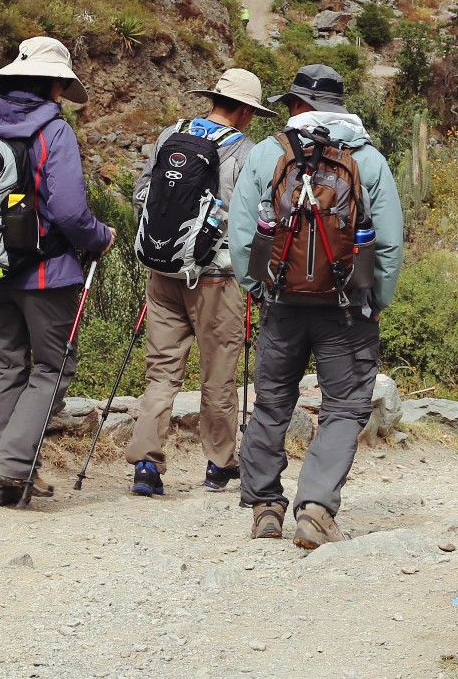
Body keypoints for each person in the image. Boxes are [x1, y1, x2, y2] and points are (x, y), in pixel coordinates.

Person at [229, 64, 404, 548]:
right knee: (345, 407)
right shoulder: (368, 160)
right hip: (347, 308)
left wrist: (258, 287)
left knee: (272, 402)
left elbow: (242, 236)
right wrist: (377, 299)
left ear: (300, 106)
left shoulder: (268, 154)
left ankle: (265, 506)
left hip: (281, 302)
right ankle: (316, 509)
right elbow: (387, 245)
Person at [0, 36, 114, 506]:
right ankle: (13, 465)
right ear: (55, 83)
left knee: (6, 367)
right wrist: (100, 237)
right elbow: (68, 211)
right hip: (46, 274)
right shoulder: (54, 132)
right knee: (52, 367)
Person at [124, 69, 274, 497]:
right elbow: (254, 218)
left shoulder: (172, 134)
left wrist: (169, 243)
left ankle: (146, 467)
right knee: (218, 372)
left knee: (162, 373)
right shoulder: (245, 150)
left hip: (163, 271)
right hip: (215, 278)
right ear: (245, 111)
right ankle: (220, 462)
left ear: (214, 99)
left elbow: (142, 194)